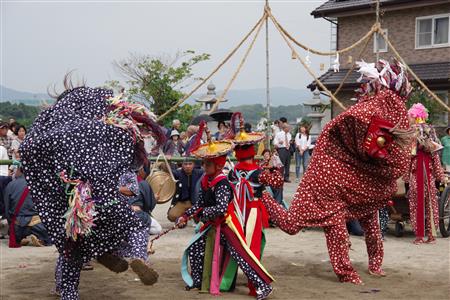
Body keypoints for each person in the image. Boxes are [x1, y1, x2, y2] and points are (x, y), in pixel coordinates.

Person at [260, 59, 414, 284]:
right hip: (328, 178)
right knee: (297, 225)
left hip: (360, 178)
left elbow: (391, 144)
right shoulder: (369, 108)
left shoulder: (389, 104)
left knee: (371, 220)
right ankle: (262, 196)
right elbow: (358, 124)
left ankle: (374, 264)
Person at [20, 83, 166, 299]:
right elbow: (135, 160)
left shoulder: (54, 133)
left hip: (75, 211)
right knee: (136, 226)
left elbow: (28, 152)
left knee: (71, 251)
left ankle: (69, 292)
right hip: (108, 202)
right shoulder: (110, 130)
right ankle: (138, 256)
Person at [177, 122, 274, 300]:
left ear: (218, 166)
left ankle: (263, 286)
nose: (204, 167)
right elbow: (199, 203)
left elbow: (221, 208)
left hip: (228, 225)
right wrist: (185, 215)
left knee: (242, 256)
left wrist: (201, 214)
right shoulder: (207, 180)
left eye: (208, 164)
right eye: (204, 164)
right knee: (195, 248)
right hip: (213, 224)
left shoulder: (221, 183)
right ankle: (199, 281)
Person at [226, 113, 283, 296]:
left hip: (235, 212)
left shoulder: (232, 173)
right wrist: (274, 167)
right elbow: (278, 182)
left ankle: (227, 281)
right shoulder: (259, 174)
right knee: (253, 247)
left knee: (236, 246)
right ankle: (256, 285)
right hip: (253, 212)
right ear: (252, 151)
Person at [404, 103, 446, 244]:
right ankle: (431, 235)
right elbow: (436, 159)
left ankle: (419, 236)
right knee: (431, 204)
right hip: (429, 175)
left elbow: (408, 158)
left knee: (416, 205)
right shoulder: (431, 138)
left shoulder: (412, 136)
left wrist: (405, 177)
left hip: (417, 176)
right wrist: (440, 176)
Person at [4, 166, 51, 247]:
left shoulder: (11, 184)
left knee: (15, 234)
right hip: (38, 224)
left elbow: (7, 208)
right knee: (48, 239)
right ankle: (40, 238)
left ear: (19, 170)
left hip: (17, 224)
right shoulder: (39, 184)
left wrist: (11, 225)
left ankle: (21, 238)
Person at [167, 158, 204, 222]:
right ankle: (184, 217)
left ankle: (190, 216)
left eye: (190, 164)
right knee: (172, 216)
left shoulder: (199, 172)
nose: (188, 166)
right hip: (182, 202)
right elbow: (167, 171)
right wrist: (168, 161)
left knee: (202, 217)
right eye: (185, 164)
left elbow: (208, 168)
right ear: (182, 165)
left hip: (195, 203)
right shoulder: (178, 173)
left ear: (194, 165)